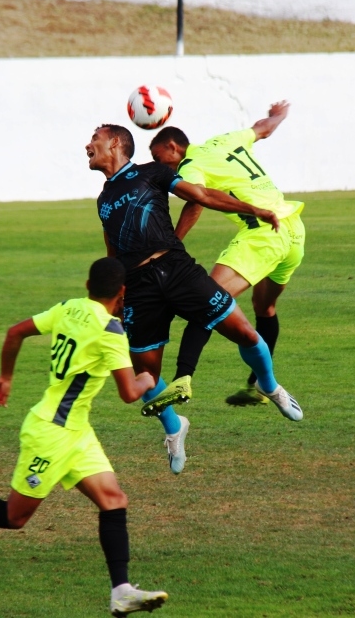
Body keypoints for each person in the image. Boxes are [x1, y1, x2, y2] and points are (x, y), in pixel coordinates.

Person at [0, 257, 168, 617]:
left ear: (88, 286)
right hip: (50, 435)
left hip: (76, 431)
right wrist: (149, 378)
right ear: (122, 293)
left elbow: (15, 332)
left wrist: (5, 378)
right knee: (14, 517)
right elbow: (130, 393)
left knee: (114, 500)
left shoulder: (69, 308)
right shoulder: (111, 332)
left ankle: (122, 592)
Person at [85, 123, 303, 476]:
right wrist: (116, 297)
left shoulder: (152, 172)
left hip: (177, 269)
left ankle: (270, 385)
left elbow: (202, 196)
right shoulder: (104, 200)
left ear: (115, 143)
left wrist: (254, 209)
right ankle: (174, 427)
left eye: (94, 139)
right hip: (139, 287)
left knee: (245, 333)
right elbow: (113, 253)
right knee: (145, 373)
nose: (87, 145)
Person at [149, 101, 305, 407]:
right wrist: (280, 114)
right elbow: (263, 129)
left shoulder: (189, 167)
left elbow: (195, 202)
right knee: (265, 308)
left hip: (264, 234)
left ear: (172, 147)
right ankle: (256, 387)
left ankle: (183, 379)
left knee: (207, 300)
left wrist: (172, 244)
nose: (159, 166)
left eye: (158, 159)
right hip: (294, 230)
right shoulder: (224, 140)